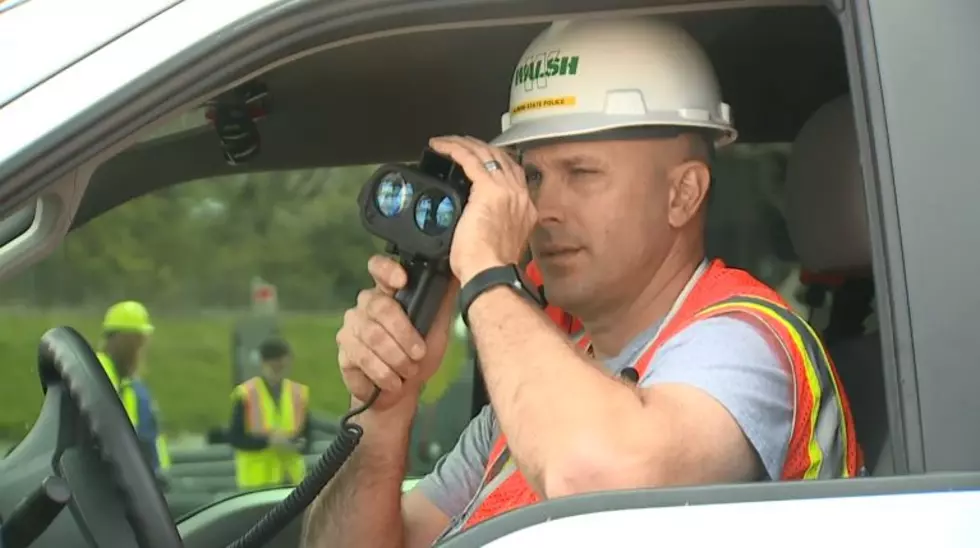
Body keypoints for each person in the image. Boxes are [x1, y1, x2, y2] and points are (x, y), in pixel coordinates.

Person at [301, 16, 863, 548]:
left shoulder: (747, 344)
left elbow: (592, 477)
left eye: (582, 173)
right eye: (536, 175)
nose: (544, 208)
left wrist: (488, 274)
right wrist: (384, 411)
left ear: (682, 194)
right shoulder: (542, 377)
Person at [96, 300, 170, 479]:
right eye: (137, 340)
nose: (141, 349)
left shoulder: (130, 385)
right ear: (120, 340)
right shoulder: (97, 377)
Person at [228, 337, 312, 490]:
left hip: (291, 481)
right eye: (274, 366)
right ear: (262, 364)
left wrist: (298, 445)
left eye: (281, 365)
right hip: (257, 483)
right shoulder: (247, 394)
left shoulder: (298, 394)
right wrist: (268, 442)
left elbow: (307, 437)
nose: (277, 370)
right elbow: (235, 438)